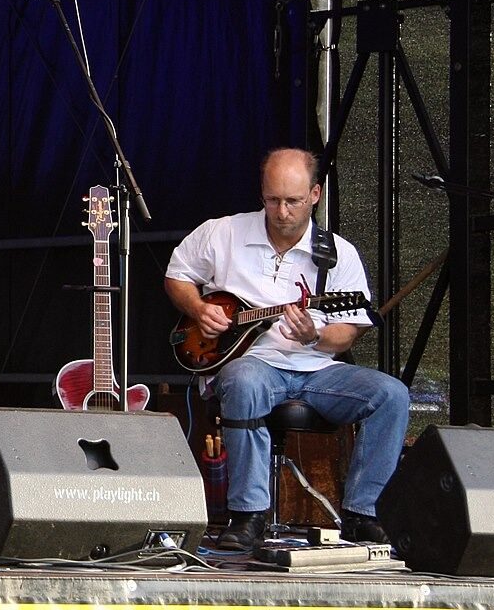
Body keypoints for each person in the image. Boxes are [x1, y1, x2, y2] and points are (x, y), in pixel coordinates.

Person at [164, 147, 409, 551]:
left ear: (315, 194)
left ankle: (362, 514)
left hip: (319, 370)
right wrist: (199, 309)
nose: (281, 212)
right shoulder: (222, 233)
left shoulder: (339, 254)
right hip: (254, 365)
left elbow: (347, 333)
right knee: (244, 378)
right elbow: (178, 276)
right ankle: (248, 515)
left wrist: (314, 337)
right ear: (261, 193)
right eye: (272, 199)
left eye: (293, 201)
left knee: (391, 394)